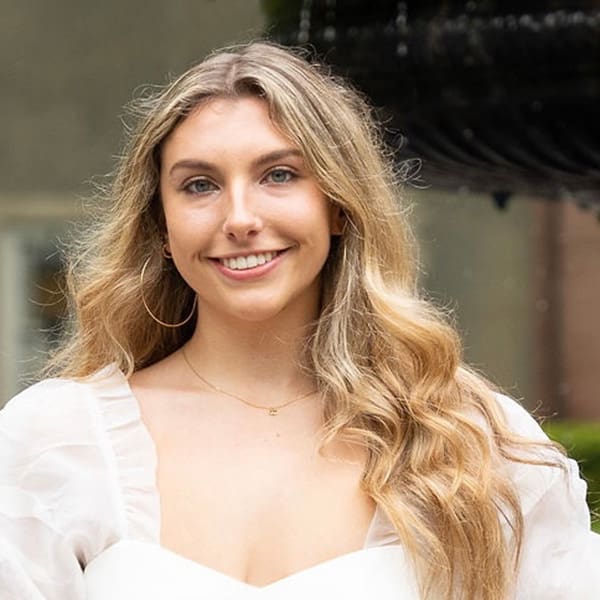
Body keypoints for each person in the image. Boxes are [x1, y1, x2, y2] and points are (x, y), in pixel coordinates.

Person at [0, 41, 598, 600]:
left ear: (338, 205)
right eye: (200, 185)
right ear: (161, 227)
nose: (239, 217)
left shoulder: (473, 442)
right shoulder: (57, 441)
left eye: (278, 175)